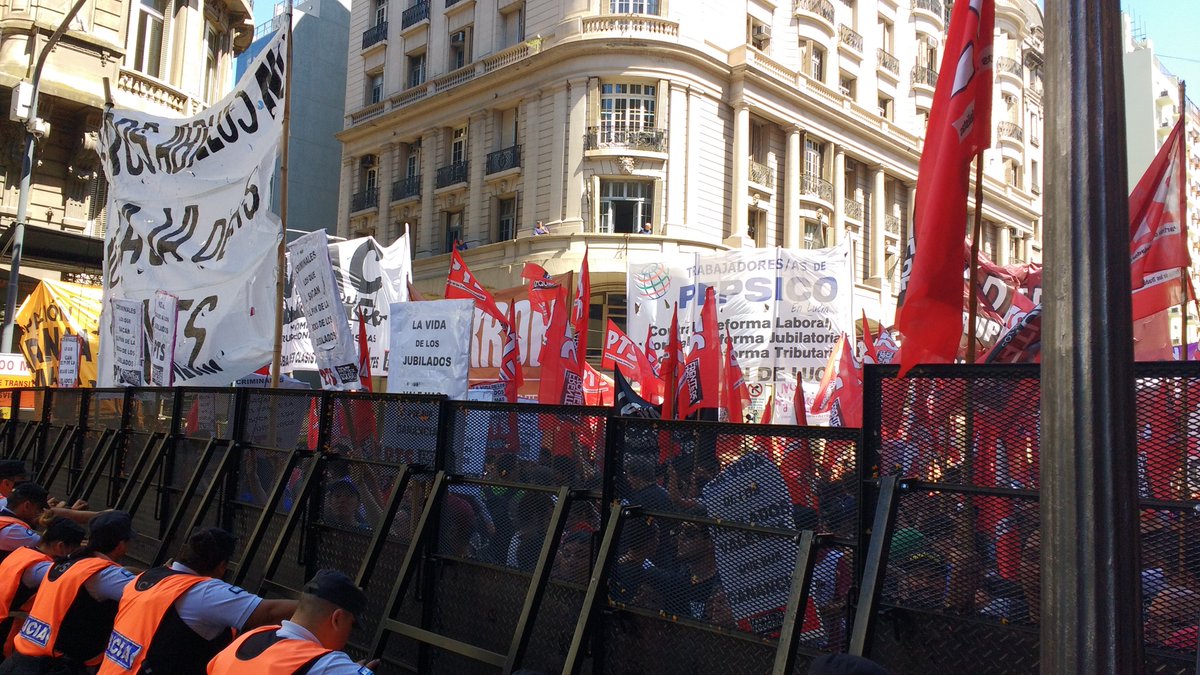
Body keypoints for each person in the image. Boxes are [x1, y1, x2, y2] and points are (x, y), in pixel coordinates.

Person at [97, 528, 297, 675]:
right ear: (221, 566)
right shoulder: (202, 592)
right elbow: (269, 612)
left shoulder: (149, 577)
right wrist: (318, 604)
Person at [2, 511, 136, 675]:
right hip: (55, 666)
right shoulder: (105, 574)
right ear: (121, 545)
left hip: (22, 660)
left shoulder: (70, 563)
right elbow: (151, 595)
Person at [207, 569, 378, 674]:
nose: (348, 636)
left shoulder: (247, 638)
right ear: (337, 618)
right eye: (351, 625)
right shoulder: (327, 663)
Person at [0, 518, 85, 658]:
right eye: (74, 549)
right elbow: (75, 579)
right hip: (7, 629)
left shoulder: (23, 552)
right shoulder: (42, 569)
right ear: (60, 547)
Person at [0, 485, 50, 563]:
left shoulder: (4, 521)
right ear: (27, 506)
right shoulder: (13, 529)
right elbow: (51, 545)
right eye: (39, 509)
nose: (40, 513)